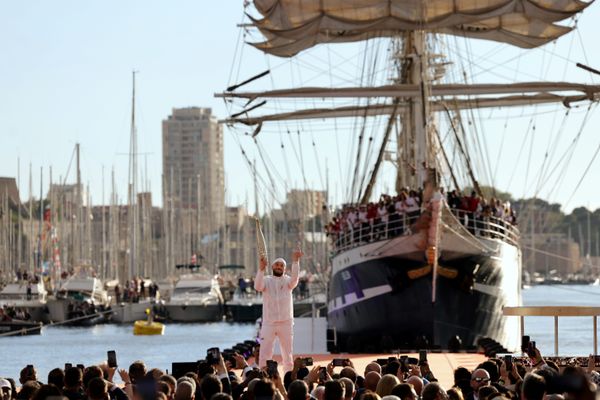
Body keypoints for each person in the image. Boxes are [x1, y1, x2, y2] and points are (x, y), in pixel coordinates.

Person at [254, 246, 302, 373]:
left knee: (288, 356)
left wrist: (296, 261)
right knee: (265, 355)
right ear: (272, 267)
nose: (279, 267)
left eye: (281, 265)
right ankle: (263, 379)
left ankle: (288, 379)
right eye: (277, 265)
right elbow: (258, 286)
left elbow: (295, 280)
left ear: (285, 269)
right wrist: (261, 269)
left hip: (286, 323)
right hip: (269, 323)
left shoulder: (288, 282)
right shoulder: (266, 280)